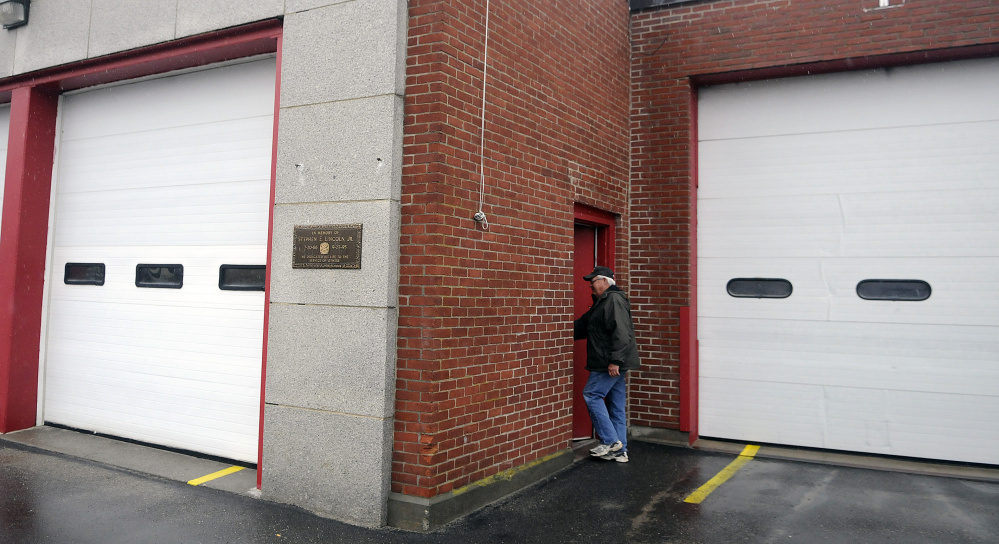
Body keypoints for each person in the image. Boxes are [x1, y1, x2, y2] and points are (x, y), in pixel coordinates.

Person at [574, 265, 640, 463]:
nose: (591, 287)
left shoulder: (613, 300)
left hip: (608, 363)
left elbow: (621, 333)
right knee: (616, 406)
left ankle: (611, 441)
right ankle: (621, 450)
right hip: (613, 363)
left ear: (604, 281)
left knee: (592, 395)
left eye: (593, 282)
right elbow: (584, 326)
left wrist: (615, 361)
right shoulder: (602, 303)